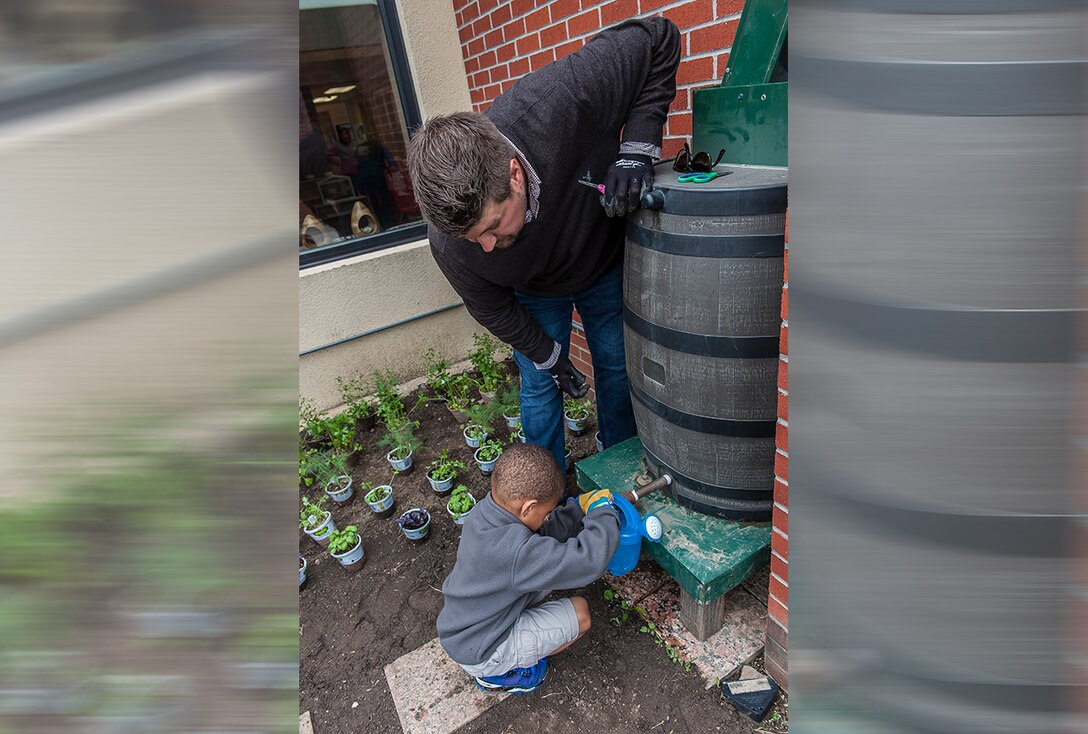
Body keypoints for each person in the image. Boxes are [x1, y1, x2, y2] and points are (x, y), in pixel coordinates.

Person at [407, 18, 680, 471]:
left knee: (615, 369)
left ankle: (614, 465)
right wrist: (549, 356)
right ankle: (544, 490)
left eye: (493, 226)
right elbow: (492, 307)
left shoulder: (558, 100)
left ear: (514, 175)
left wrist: (637, 151)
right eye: (475, 239)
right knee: (538, 383)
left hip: (599, 260)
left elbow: (658, 39)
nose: (489, 248)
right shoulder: (451, 244)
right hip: (534, 289)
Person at [436, 443, 619, 693]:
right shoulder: (515, 553)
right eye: (547, 512)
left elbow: (539, 532)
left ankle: (506, 658)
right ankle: (500, 674)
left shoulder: (485, 513)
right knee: (581, 614)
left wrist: (576, 509)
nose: (548, 516)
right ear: (528, 507)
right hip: (482, 651)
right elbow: (588, 561)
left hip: (463, 627)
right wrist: (603, 513)